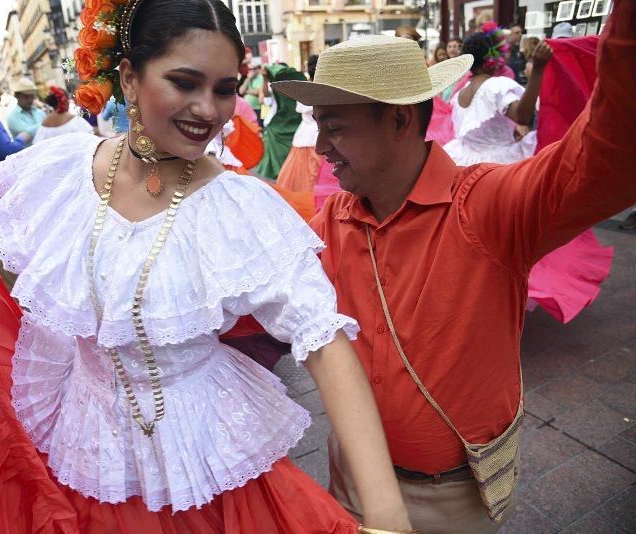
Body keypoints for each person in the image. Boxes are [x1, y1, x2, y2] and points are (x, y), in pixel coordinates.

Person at [0, 4, 413, 533]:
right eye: (184, 83)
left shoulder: (240, 208)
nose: (207, 110)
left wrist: (387, 517)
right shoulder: (58, 170)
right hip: (84, 464)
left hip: (208, 472)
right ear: (130, 78)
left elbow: (323, 340)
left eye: (224, 89)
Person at [272, 0, 636, 529]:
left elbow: (613, 156)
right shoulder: (332, 223)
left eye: (334, 126)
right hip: (349, 476)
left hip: (454, 499)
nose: (321, 145)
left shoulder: (488, 206)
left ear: (398, 118)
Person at [443, 26, 547, 165]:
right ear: (489, 62)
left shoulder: (461, 93)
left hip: (465, 162)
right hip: (496, 165)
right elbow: (523, 117)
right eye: (499, 56)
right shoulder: (494, 87)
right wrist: (537, 73)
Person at [276, 54, 321, 192]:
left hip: (304, 134)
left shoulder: (303, 90)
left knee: (300, 177)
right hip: (316, 133)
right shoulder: (324, 91)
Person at [254, 63, 305, 179]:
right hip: (284, 126)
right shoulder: (277, 89)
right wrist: (265, 78)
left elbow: (264, 99)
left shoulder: (289, 91)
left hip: (282, 127)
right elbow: (266, 98)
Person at [6, 77, 45, 144]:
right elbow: (27, 132)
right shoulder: (12, 117)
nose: (30, 100)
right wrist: (47, 123)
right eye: (26, 97)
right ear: (17, 96)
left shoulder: (39, 112)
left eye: (32, 96)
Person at [238, 57, 264, 126]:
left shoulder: (260, 78)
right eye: (250, 69)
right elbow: (240, 91)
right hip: (246, 109)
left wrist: (246, 91)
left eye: (254, 69)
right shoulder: (247, 79)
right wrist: (249, 78)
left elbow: (258, 92)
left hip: (257, 108)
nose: (251, 71)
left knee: (256, 128)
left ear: (257, 69)